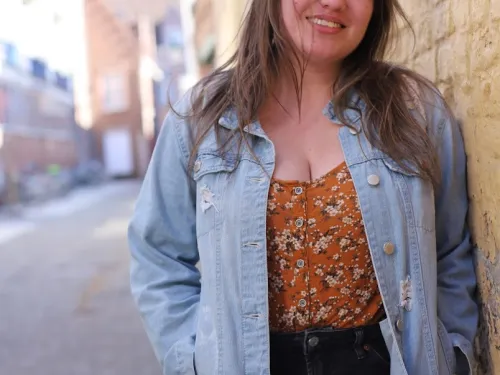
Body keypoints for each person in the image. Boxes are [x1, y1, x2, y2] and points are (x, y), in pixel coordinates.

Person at [128, 0, 478, 374]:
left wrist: (453, 353)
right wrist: (192, 362)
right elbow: (157, 256)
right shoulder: (203, 120)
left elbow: (451, 251)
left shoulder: (415, 112)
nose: (334, 3)